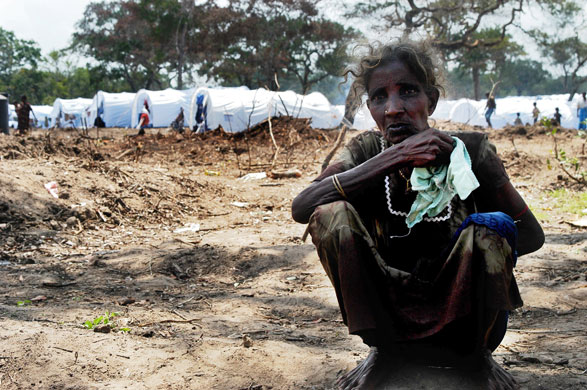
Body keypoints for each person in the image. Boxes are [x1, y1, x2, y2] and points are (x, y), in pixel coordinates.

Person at [291, 40, 544, 390]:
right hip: (386, 311)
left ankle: (478, 359)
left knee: (492, 229)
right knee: (330, 214)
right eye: (380, 97)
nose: (394, 108)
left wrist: (483, 240)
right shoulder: (366, 151)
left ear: (432, 100)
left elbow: (532, 235)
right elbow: (302, 207)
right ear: (372, 107)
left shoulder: (468, 151)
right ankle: (382, 353)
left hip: (465, 317)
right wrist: (392, 158)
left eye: (408, 91)